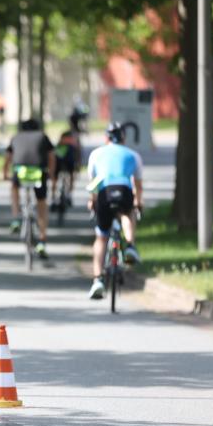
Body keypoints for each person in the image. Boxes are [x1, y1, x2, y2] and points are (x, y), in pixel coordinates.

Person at [86, 122, 144, 300]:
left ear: (106, 138)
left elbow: (93, 183)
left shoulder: (96, 154)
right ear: (123, 138)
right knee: (127, 213)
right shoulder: (133, 155)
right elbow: (138, 185)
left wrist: (92, 201)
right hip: (124, 189)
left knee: (101, 237)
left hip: (104, 192)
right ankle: (130, 245)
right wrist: (138, 202)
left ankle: (97, 280)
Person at [3, 118, 56, 259]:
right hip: (39, 172)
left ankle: (16, 217)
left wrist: (5, 173)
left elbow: (8, 157)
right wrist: (51, 174)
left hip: (20, 171)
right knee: (41, 204)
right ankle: (42, 240)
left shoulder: (16, 137)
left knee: (14, 188)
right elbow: (51, 156)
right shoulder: (43, 136)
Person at [52, 126, 81, 211]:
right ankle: (69, 195)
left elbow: (55, 151)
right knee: (71, 176)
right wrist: (78, 166)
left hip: (59, 161)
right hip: (69, 162)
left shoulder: (62, 138)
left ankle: (53, 198)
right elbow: (78, 154)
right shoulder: (74, 140)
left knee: (55, 178)